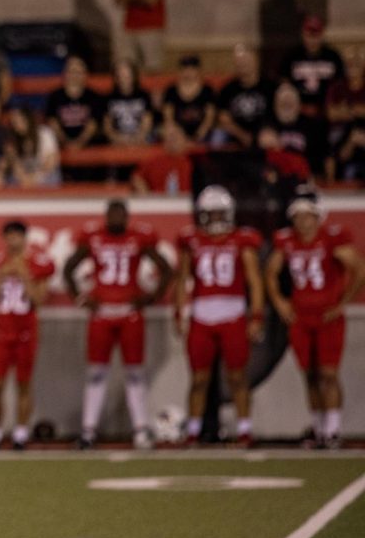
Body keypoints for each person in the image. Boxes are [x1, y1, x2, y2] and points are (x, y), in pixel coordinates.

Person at [64, 199, 172, 450]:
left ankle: (140, 429)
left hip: (129, 313)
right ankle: (89, 430)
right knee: (96, 372)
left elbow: (165, 269)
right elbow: (69, 268)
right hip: (101, 312)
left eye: (120, 214)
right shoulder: (93, 237)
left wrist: (151, 297)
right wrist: (80, 298)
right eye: (112, 214)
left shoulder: (139, 238)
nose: (116, 219)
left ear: (127, 216)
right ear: (106, 216)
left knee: (135, 373)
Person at [264, 195, 363, 449]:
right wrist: (279, 301)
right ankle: (319, 429)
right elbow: (270, 273)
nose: (302, 221)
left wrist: (342, 303)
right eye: (297, 216)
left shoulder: (332, 238)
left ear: (318, 217)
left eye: (307, 215)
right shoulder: (286, 241)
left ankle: (333, 430)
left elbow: (359, 269)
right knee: (309, 374)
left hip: (327, 314)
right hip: (301, 315)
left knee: (328, 373)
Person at [174, 186, 264, 447]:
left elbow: (254, 281)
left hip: (233, 312)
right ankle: (193, 432)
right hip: (201, 314)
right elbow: (182, 279)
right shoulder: (191, 240)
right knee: (199, 378)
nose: (214, 219)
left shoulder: (241, 240)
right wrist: (179, 311)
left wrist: (256, 316)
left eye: (219, 213)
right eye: (210, 214)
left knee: (237, 376)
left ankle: (245, 430)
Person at [0, 221, 54, 450]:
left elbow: (40, 300)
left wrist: (24, 275)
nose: (13, 240)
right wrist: (0, 276)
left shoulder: (37, 264)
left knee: (23, 384)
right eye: (9, 236)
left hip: (25, 333)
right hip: (1, 333)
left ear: (24, 238)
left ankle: (20, 432)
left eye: (17, 236)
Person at [280, 15, 344, 121]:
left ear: (322, 35)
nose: (312, 39)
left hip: (327, 111)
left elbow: (341, 83)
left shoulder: (333, 56)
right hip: (297, 111)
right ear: (303, 34)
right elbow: (284, 82)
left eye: (316, 35)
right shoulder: (291, 56)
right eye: (309, 35)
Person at [266, 82, 331, 182]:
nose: (287, 105)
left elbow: (327, 156)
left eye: (290, 102)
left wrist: (328, 181)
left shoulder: (313, 127)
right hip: (275, 184)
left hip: (307, 181)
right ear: (275, 104)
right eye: (283, 102)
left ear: (299, 104)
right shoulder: (266, 127)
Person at [216, 45, 273, 149]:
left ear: (256, 61)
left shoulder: (269, 86)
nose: (242, 64)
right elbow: (223, 119)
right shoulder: (228, 89)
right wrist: (242, 135)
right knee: (217, 137)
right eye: (239, 61)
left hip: (264, 132)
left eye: (246, 60)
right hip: (235, 133)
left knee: (268, 138)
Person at [46, 56, 103, 149]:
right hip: (60, 147)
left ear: (85, 74)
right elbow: (53, 123)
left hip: (89, 147)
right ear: (65, 74)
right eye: (71, 71)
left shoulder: (94, 97)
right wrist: (65, 142)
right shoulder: (55, 96)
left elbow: (93, 124)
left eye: (78, 72)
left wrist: (79, 143)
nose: (74, 75)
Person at [163, 55, 216, 144]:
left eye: (192, 69)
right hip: (178, 134)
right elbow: (168, 118)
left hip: (202, 132)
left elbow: (209, 118)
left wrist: (198, 136)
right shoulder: (171, 90)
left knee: (217, 135)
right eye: (185, 68)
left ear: (198, 70)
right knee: (166, 131)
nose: (188, 72)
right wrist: (179, 136)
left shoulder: (207, 90)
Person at [5, 107, 61, 188]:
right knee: (11, 181)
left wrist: (35, 178)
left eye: (19, 121)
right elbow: (16, 165)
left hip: (44, 174)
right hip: (24, 176)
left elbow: (51, 162)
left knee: (52, 176)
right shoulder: (12, 139)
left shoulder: (45, 133)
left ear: (28, 119)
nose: (16, 124)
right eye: (14, 122)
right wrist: (24, 178)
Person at [131, 122, 193, 194]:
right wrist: (145, 195)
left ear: (184, 139)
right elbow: (137, 177)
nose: (172, 140)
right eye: (169, 137)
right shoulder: (155, 161)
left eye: (175, 136)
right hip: (159, 201)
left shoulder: (194, 160)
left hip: (188, 201)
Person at [103, 58, 154, 146]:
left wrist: (138, 138)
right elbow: (107, 126)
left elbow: (147, 122)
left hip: (141, 138)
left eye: (127, 75)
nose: (124, 78)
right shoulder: (108, 97)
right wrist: (117, 138)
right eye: (121, 75)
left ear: (134, 76)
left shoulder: (144, 95)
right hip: (117, 139)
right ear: (115, 77)